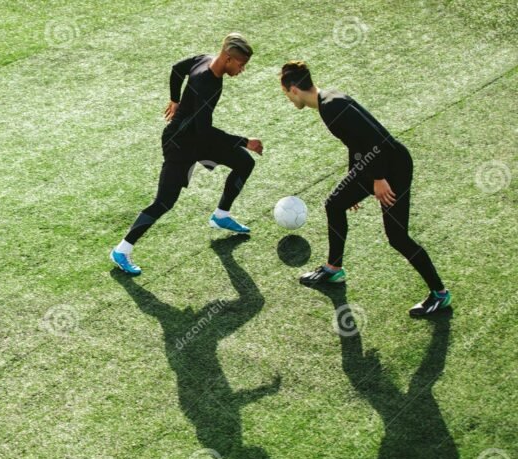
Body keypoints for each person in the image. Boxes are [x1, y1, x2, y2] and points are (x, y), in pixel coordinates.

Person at [279, 60, 450, 317]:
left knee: (397, 236)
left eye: (286, 95)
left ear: (294, 89)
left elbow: (374, 140)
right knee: (335, 204)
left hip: (393, 167)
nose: (289, 100)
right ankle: (333, 269)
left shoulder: (331, 107)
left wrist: (378, 179)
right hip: (375, 164)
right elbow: (356, 143)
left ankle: (439, 294)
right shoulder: (328, 98)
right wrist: (353, 178)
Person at [110, 33, 263, 276]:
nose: (242, 70)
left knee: (244, 163)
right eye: (241, 64)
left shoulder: (204, 60)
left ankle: (221, 215)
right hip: (180, 145)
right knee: (164, 202)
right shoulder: (206, 85)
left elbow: (177, 69)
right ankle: (121, 250)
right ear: (227, 58)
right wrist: (245, 141)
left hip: (196, 139)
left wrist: (175, 100)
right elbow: (206, 132)